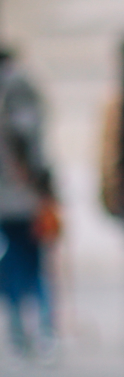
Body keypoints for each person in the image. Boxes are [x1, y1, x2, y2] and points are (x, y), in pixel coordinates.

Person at [0, 49, 59, 358]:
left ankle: (20, 333)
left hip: (11, 196)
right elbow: (28, 140)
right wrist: (46, 185)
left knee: (11, 265)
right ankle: (44, 332)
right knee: (34, 265)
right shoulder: (18, 86)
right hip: (22, 195)